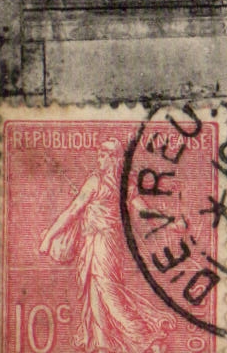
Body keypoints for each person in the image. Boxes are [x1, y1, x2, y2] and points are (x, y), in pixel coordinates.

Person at [38, 138, 177, 353]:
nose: (100, 159)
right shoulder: (110, 182)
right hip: (93, 243)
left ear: (114, 159)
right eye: (99, 155)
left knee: (109, 292)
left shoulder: (112, 183)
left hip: (106, 244)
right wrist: (50, 236)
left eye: (104, 156)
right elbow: (73, 211)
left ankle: (147, 338)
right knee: (95, 292)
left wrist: (167, 221)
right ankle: (103, 346)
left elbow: (141, 209)